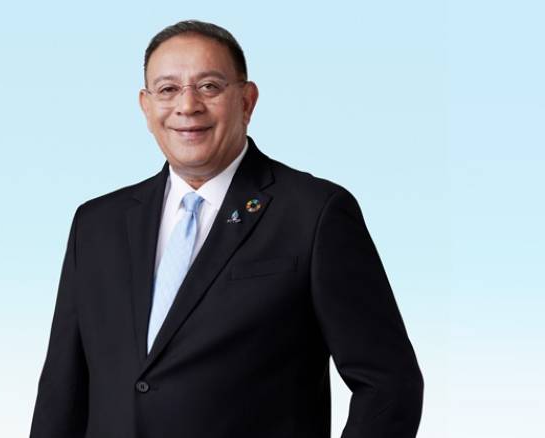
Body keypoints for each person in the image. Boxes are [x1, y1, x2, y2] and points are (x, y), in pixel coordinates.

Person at [29, 19, 424, 438]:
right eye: (167, 89)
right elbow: (62, 394)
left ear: (247, 101)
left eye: (209, 87)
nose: (187, 106)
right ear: (146, 106)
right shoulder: (96, 224)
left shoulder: (314, 214)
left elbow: (389, 385)